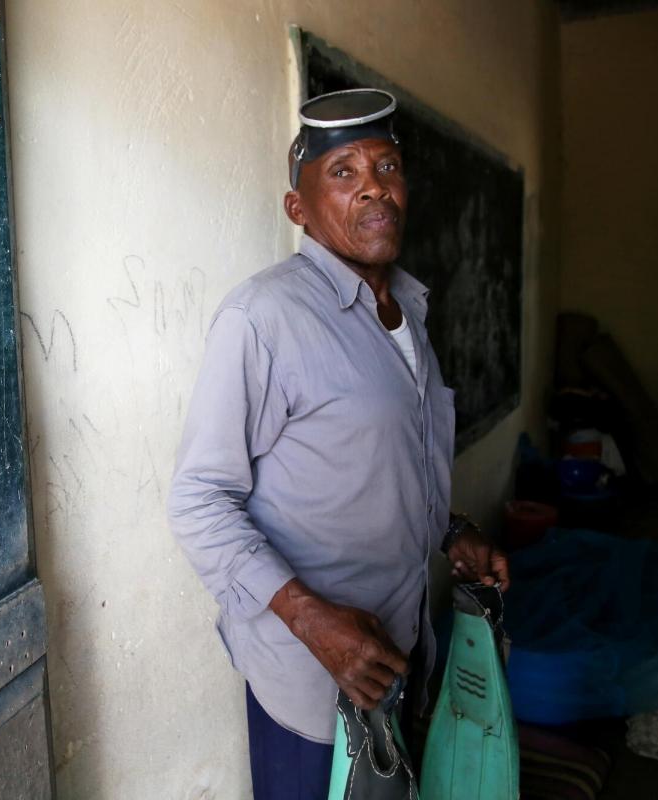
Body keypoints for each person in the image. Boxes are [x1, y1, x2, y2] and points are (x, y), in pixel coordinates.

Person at [167, 88, 510, 799]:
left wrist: (451, 532)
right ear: (299, 210)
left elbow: (384, 463)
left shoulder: (407, 314)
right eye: (344, 173)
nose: (375, 189)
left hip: (403, 650)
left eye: (386, 167)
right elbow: (200, 500)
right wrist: (308, 618)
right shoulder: (263, 318)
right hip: (310, 678)